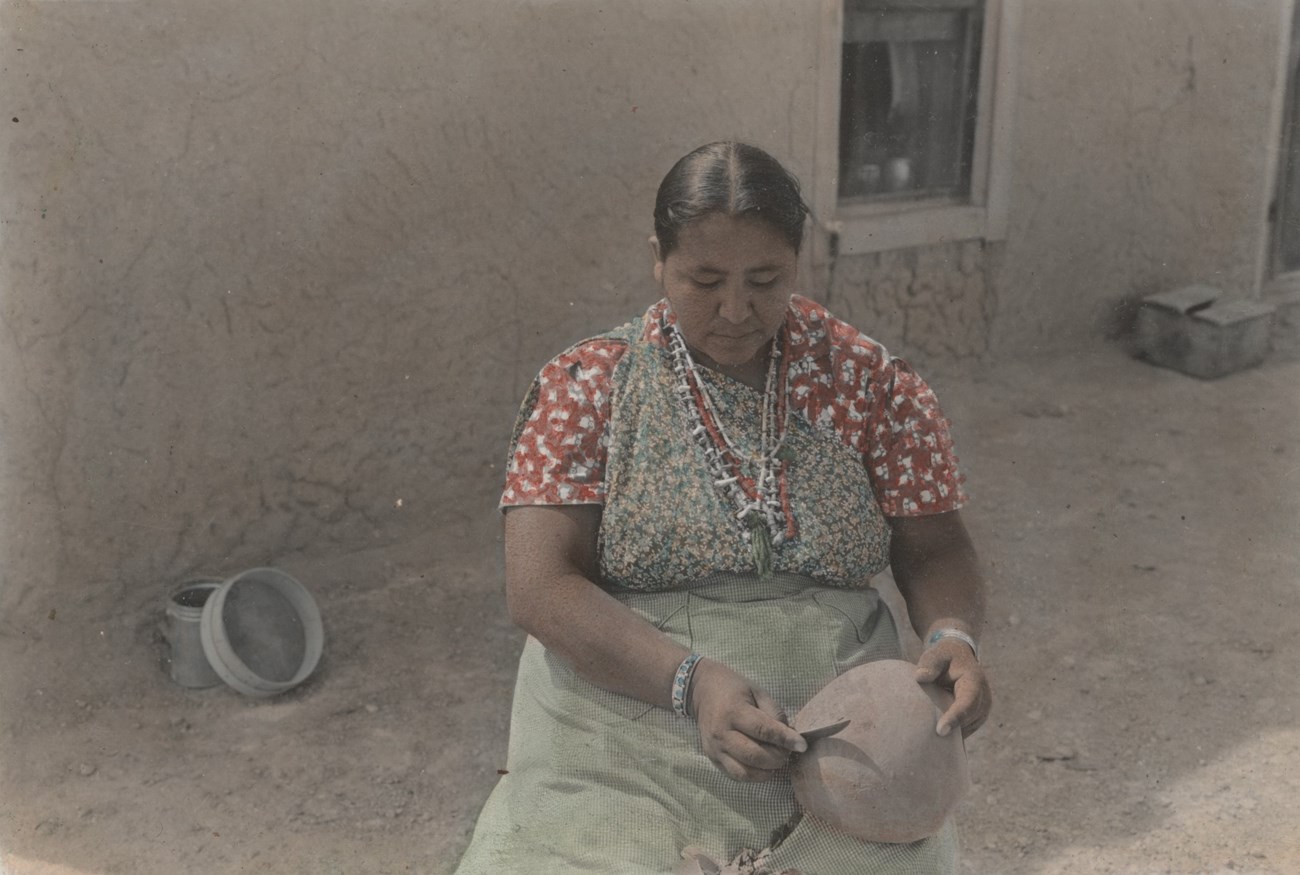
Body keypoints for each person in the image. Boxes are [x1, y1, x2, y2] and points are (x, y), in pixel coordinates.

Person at [454, 141, 992, 874]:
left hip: (828, 731)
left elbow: (935, 548)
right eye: (703, 279)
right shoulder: (588, 386)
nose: (735, 310)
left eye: (764, 280)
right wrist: (693, 682)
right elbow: (540, 585)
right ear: (658, 259)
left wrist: (954, 633)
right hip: (627, 716)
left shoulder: (869, 383)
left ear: (799, 264)